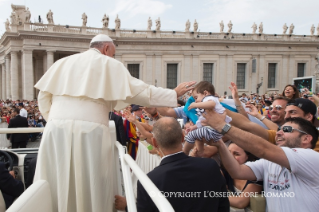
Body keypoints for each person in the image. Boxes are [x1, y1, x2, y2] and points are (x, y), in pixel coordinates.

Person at [33, 34, 195, 212]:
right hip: (91, 131)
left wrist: (56, 122)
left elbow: (43, 98)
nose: (112, 57)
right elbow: (143, 91)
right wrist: (173, 94)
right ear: (106, 49)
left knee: (57, 180)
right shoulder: (108, 64)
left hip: (55, 131)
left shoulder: (62, 63)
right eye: (113, 53)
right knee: (91, 184)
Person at [202, 110, 319, 212]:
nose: (278, 132)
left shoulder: (311, 157)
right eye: (279, 129)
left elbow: (263, 149)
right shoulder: (269, 162)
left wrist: (223, 126)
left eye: (287, 129)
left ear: (306, 138)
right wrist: (220, 145)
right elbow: (237, 171)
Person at [115, 117, 230, 211]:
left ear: (154, 142)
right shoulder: (211, 166)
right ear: (182, 138)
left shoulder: (149, 181)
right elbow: (223, 207)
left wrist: (127, 206)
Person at [184, 81, 231, 154]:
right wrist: (193, 127)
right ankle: (200, 152)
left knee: (191, 135)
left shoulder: (209, 98)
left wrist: (195, 105)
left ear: (205, 93)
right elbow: (202, 122)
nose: (196, 101)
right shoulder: (206, 105)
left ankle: (184, 153)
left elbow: (211, 104)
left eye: (196, 98)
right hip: (215, 131)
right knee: (197, 136)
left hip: (213, 131)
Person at [222, 143, 263, 209]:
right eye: (228, 153)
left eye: (236, 154)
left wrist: (214, 196)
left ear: (247, 156)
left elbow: (240, 202)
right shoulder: (225, 172)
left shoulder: (256, 176)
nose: (230, 157)